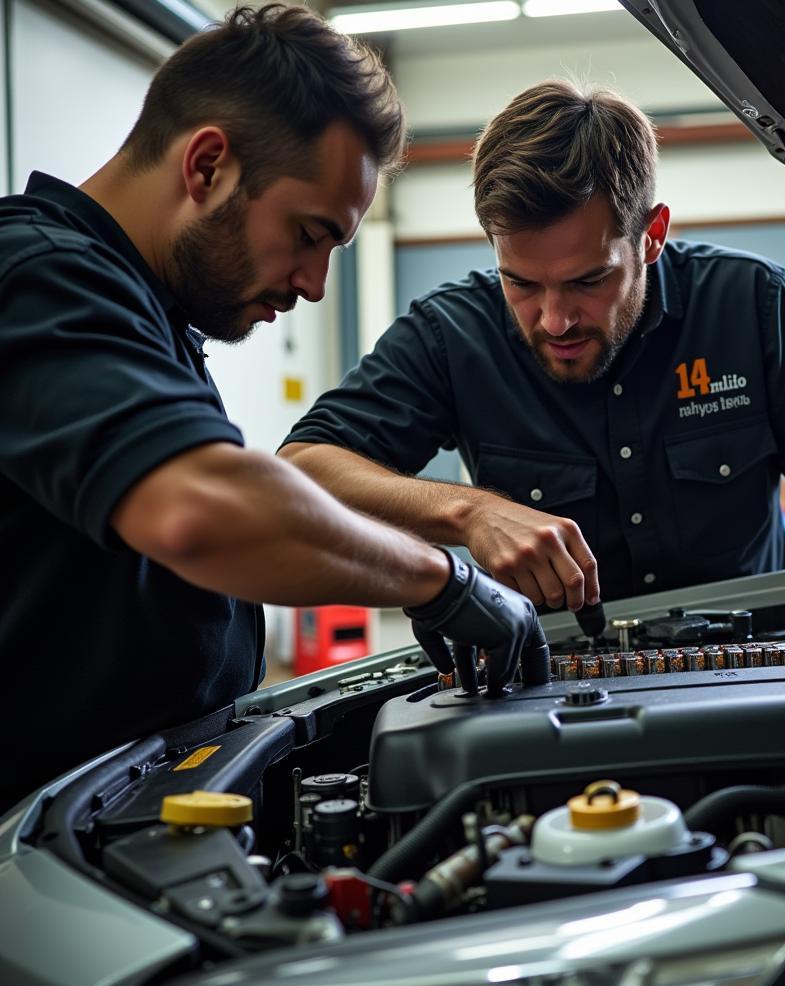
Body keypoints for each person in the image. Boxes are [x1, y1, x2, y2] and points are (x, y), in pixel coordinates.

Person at [0, 5, 541, 813]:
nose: (316, 283)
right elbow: (202, 510)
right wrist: (443, 580)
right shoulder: (36, 276)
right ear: (208, 164)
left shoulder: (145, 313)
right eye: (308, 234)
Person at [280, 80, 785, 629]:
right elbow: (303, 469)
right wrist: (468, 511)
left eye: (588, 281)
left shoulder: (752, 305)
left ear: (651, 236)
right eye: (521, 284)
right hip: (549, 689)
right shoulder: (451, 334)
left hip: (748, 671)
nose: (555, 318)